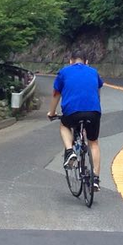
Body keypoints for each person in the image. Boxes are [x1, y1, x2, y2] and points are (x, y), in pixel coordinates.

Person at [47, 48, 103, 190]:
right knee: (93, 143)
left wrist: (52, 112)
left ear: (70, 61)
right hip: (93, 111)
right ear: (86, 62)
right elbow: (97, 93)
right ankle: (95, 179)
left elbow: (56, 94)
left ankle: (69, 151)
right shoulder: (94, 72)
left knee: (64, 125)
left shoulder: (64, 72)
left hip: (72, 112)